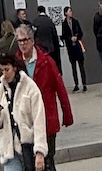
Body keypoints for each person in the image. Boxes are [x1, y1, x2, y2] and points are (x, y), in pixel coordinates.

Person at [15, 23, 73, 168]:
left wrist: (67, 114)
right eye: (19, 41)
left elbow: (60, 88)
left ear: (32, 41)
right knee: (30, 164)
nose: (22, 44)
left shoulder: (46, 61)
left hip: (47, 118)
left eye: (25, 40)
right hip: (26, 122)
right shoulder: (15, 62)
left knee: (47, 161)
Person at [0, 51, 47, 171]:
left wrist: (40, 151)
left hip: (28, 147)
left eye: (7, 70)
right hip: (9, 149)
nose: (4, 74)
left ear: (14, 68)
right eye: (2, 70)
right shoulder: (0, 90)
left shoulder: (30, 87)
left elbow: (39, 120)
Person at [61, 7, 87, 92]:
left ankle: (84, 84)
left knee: (81, 66)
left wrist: (77, 37)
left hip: (77, 46)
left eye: (71, 11)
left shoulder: (75, 22)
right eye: (69, 11)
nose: (71, 12)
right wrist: (70, 38)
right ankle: (76, 84)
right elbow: (64, 35)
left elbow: (81, 32)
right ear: (65, 13)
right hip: (70, 47)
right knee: (73, 66)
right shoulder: (64, 24)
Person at [31, 6, 63, 76]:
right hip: (50, 48)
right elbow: (54, 35)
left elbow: (33, 35)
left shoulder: (35, 21)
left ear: (38, 12)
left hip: (40, 49)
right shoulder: (49, 21)